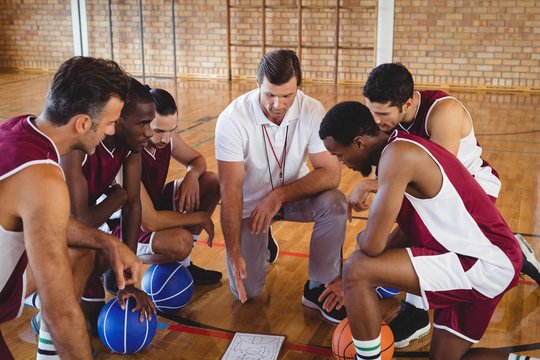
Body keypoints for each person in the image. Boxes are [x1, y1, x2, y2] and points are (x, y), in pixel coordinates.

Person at [319, 101, 535, 360]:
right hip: (484, 256)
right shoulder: (398, 148)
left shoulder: (397, 157)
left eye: (340, 155)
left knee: (356, 268)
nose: (343, 163)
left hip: (483, 263)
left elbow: (372, 245)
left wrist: (358, 239)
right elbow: (407, 231)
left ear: (359, 142)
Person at [353, 62, 540, 348]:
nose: (376, 120)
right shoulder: (391, 123)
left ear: (407, 102)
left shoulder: (444, 112)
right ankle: (507, 248)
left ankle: (416, 313)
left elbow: (440, 181)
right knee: (405, 235)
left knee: (425, 238)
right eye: (371, 112)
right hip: (438, 195)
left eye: (382, 113)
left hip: (472, 187)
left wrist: (368, 186)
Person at [0, 57, 148, 359]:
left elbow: (47, 222)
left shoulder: (15, 129)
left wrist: (109, 242)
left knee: (81, 250)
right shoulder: (44, 179)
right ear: (82, 123)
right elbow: (61, 313)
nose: (111, 131)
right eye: (110, 123)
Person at [215, 49, 347, 323]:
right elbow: (230, 192)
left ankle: (318, 287)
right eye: (270, 95)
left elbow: (331, 173)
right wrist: (234, 252)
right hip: (251, 207)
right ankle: (264, 243)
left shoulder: (312, 110)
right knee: (247, 292)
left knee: (335, 203)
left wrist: (279, 195)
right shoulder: (232, 119)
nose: (277, 104)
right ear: (257, 84)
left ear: (299, 86)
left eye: (287, 96)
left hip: (292, 196)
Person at [60, 76, 156, 332]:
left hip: (80, 235)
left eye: (151, 122)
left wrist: (130, 280)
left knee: (91, 324)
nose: (149, 131)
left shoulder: (130, 146)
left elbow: (133, 204)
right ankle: (42, 311)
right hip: (48, 239)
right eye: (143, 123)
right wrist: (117, 198)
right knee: (83, 326)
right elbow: (78, 222)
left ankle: (94, 286)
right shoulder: (78, 147)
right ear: (117, 119)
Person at [135, 86, 222, 284]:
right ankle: (114, 262)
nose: (166, 138)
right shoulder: (132, 150)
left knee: (211, 182)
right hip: (127, 223)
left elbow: (197, 159)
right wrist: (198, 216)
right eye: (158, 131)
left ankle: (184, 266)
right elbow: (149, 221)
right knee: (181, 242)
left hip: (152, 207)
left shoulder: (167, 139)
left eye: (172, 130)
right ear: (144, 122)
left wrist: (192, 174)